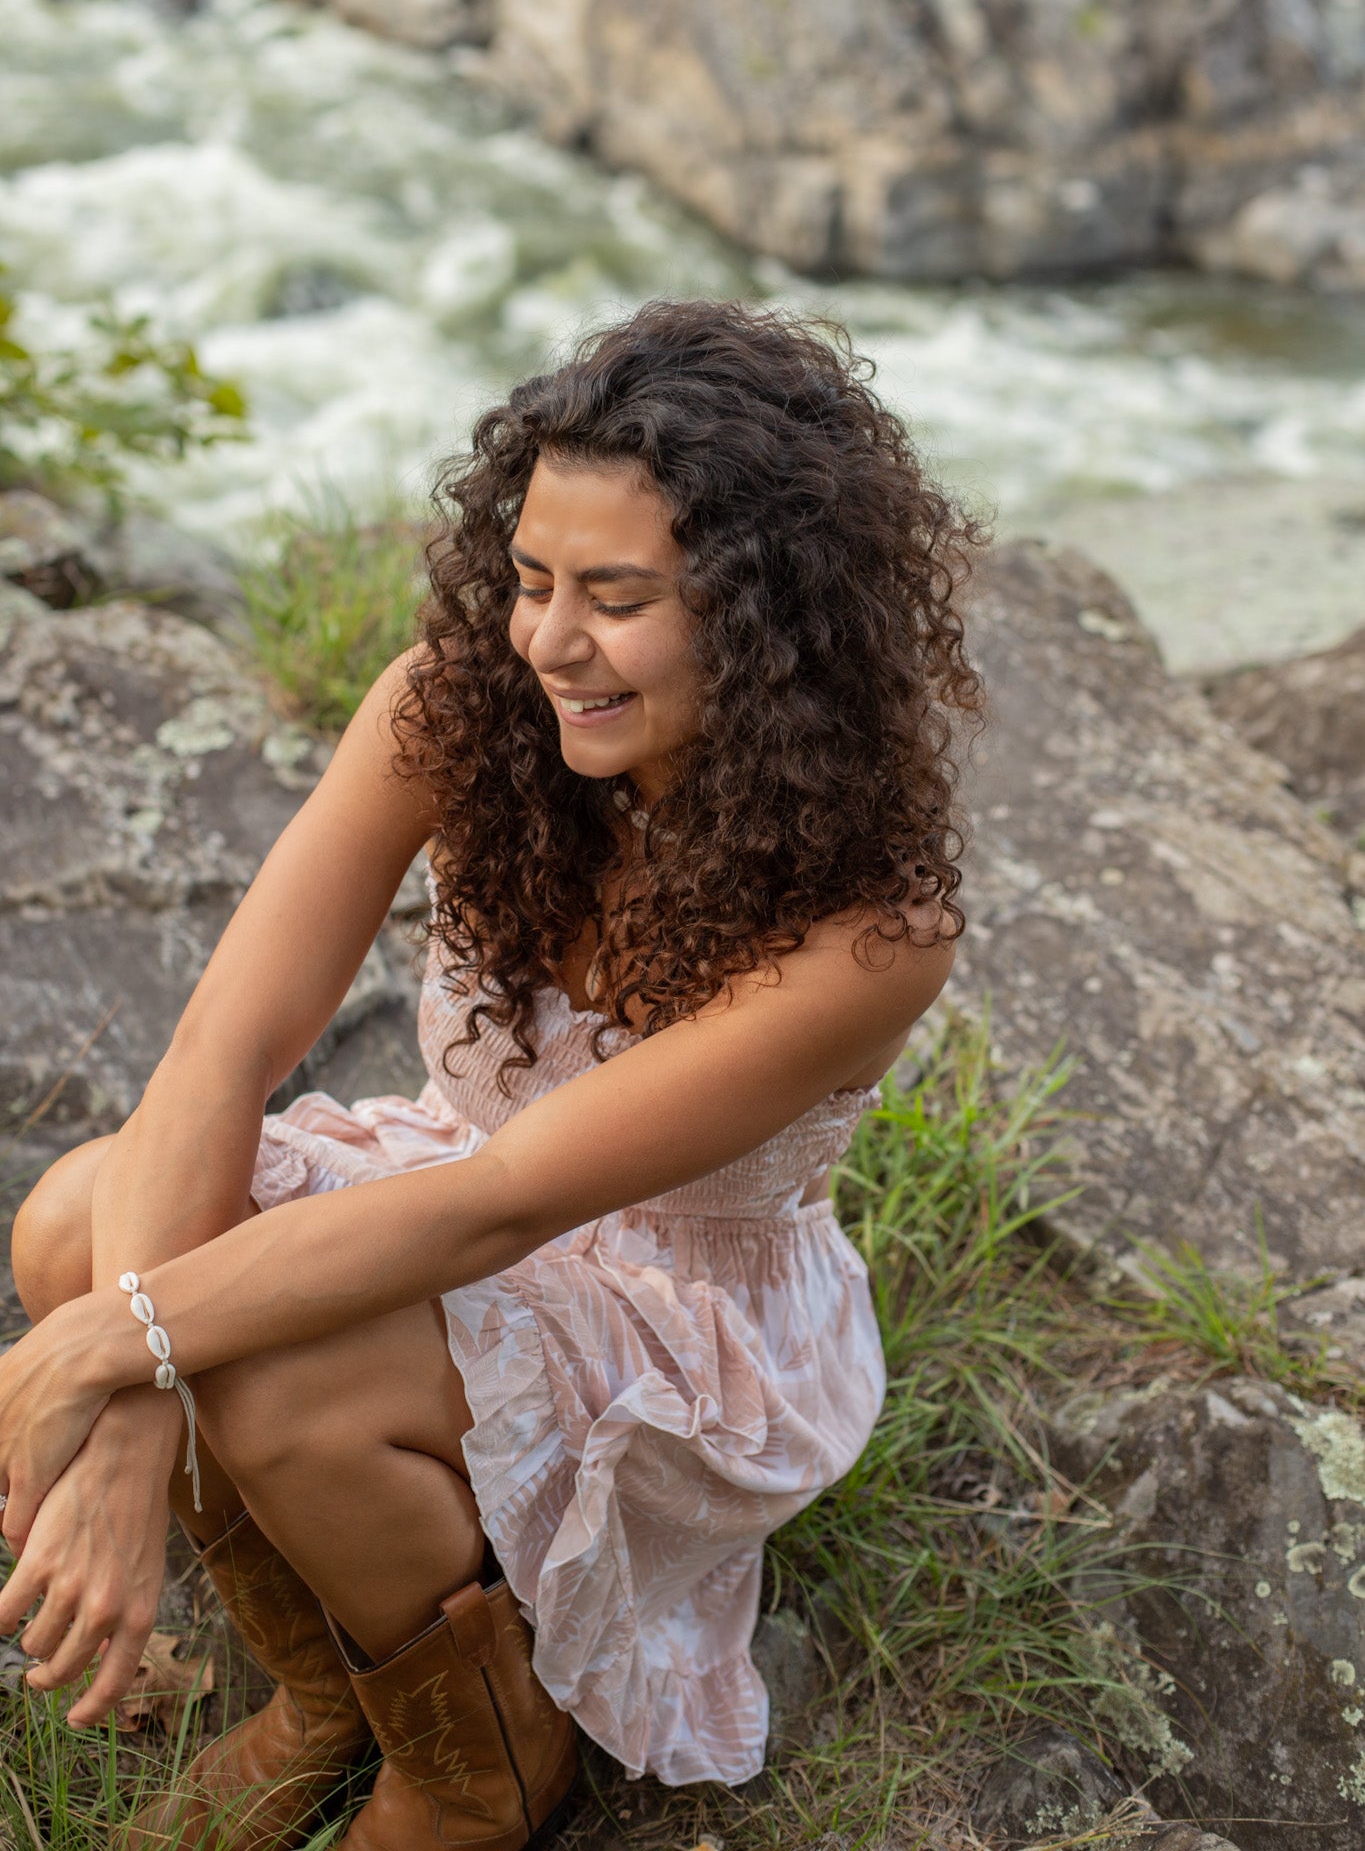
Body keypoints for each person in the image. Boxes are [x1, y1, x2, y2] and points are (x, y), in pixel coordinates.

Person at [0, 298, 985, 1850]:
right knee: (72, 1227)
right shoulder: (457, 705)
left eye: (615, 596)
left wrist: (115, 1353)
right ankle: (334, 1691)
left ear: (761, 613)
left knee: (278, 1391)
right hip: (451, 1195)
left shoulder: (871, 929)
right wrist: (127, 1394)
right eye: (529, 579)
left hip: (672, 1312)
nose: (547, 642)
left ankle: (482, 1767)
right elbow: (225, 1045)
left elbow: (501, 1203)